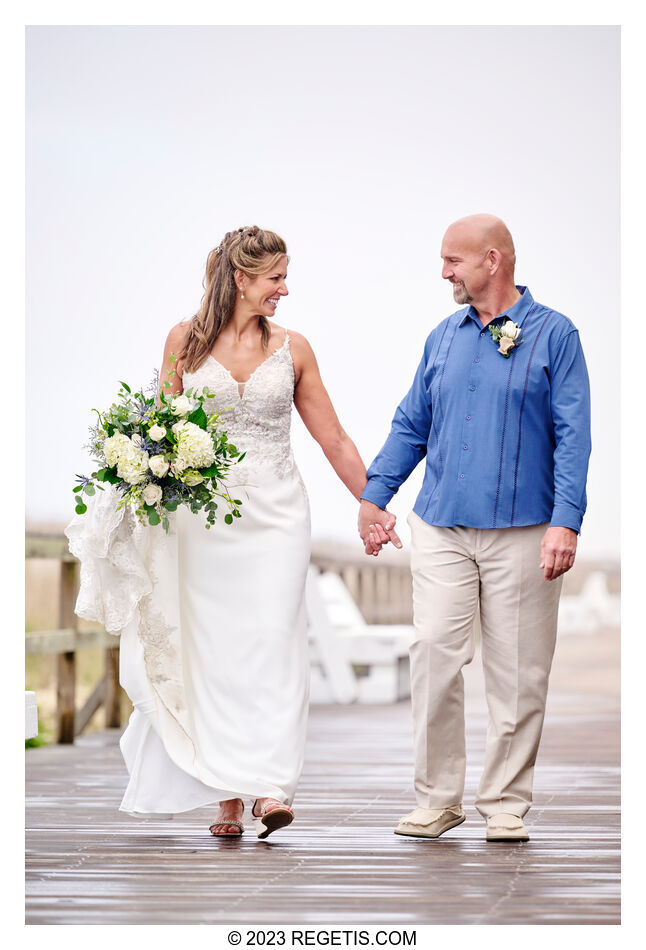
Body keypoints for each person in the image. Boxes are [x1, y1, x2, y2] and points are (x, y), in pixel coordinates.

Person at [69, 226, 394, 840]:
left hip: (276, 516)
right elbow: (156, 429)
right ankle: (223, 791)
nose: (284, 289)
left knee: (271, 642)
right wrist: (137, 471)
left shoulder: (294, 349)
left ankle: (270, 785)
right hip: (200, 520)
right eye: (275, 278)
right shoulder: (183, 342)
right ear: (241, 279)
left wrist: (372, 502)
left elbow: (335, 438)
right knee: (211, 651)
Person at [358, 214, 591, 841]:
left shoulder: (556, 335)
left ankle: (505, 803)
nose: (443, 273)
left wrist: (566, 521)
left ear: (493, 260)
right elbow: (412, 422)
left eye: (452, 261)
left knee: (518, 672)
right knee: (433, 649)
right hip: (441, 525)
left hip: (525, 526)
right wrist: (375, 496)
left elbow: (573, 436)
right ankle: (437, 798)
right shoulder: (442, 337)